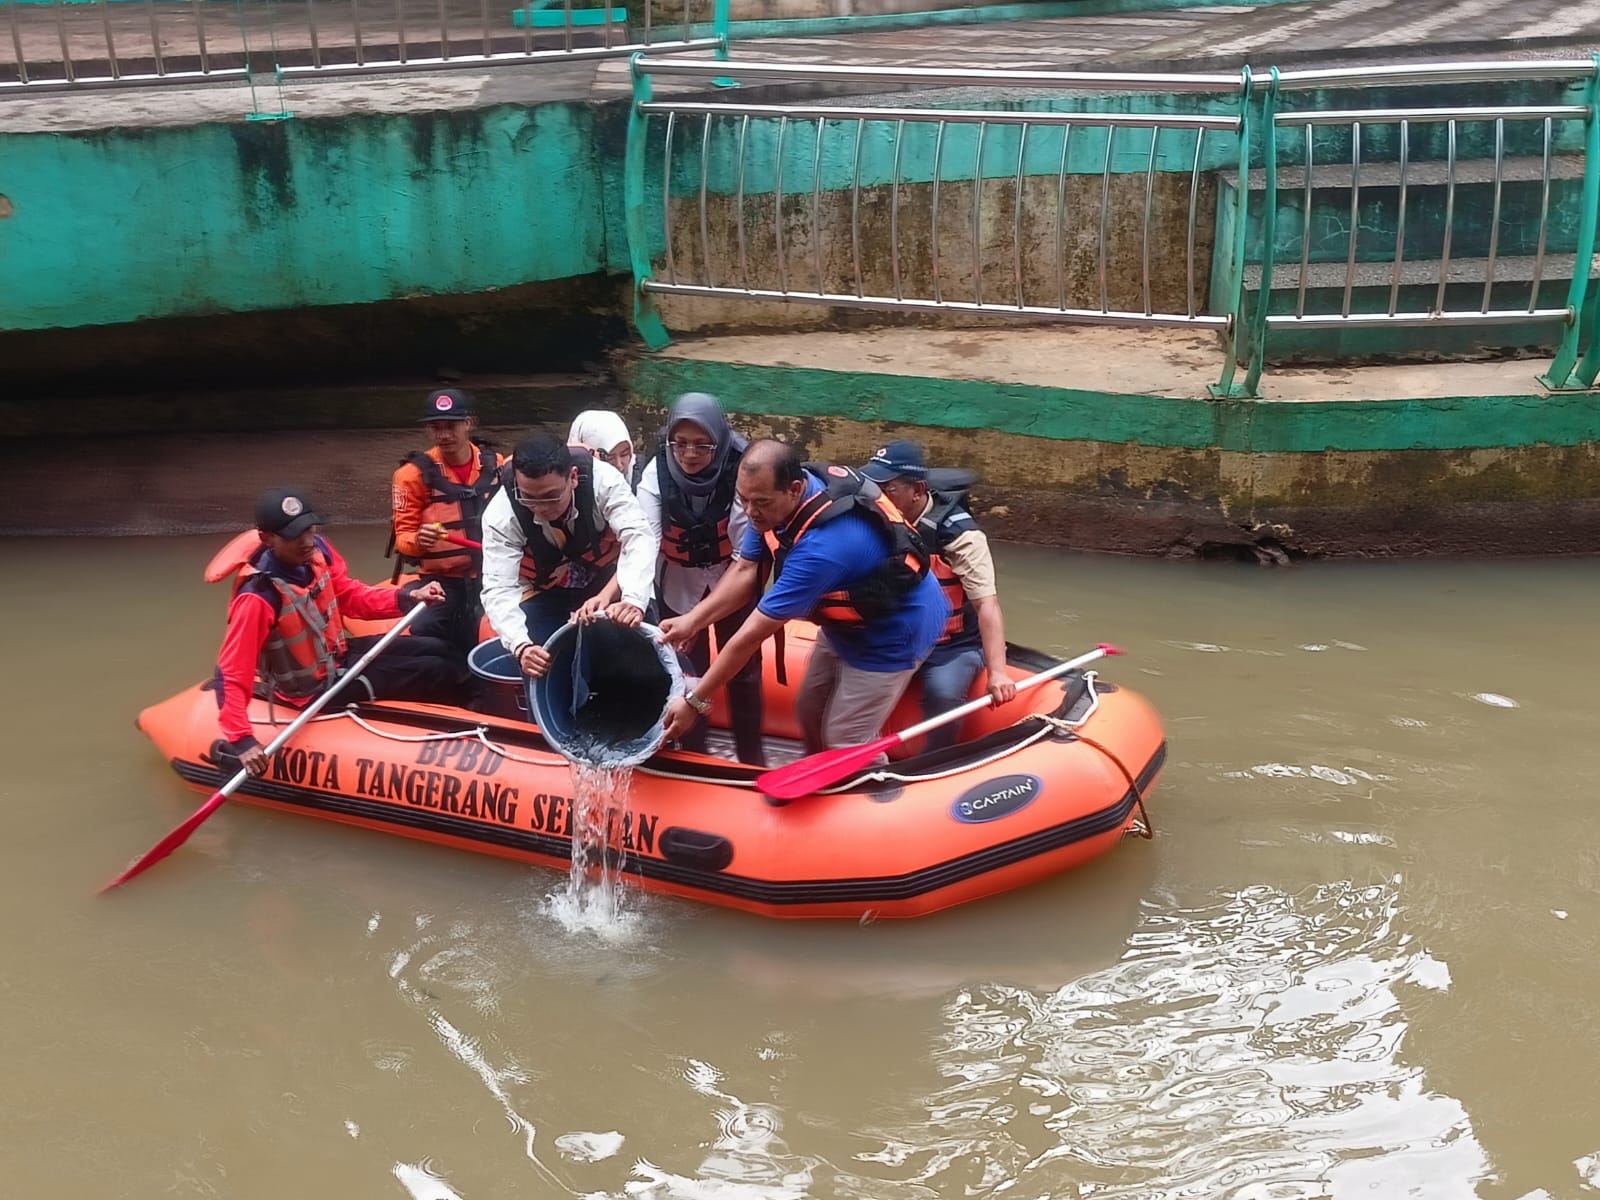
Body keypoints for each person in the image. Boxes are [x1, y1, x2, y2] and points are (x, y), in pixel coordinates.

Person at [660, 440, 948, 760]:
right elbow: (745, 570)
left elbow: (751, 636)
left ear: (794, 490)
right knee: (808, 709)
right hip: (847, 623)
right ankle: (821, 776)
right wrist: (692, 621)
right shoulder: (770, 502)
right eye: (743, 500)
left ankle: (873, 782)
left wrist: (695, 701)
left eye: (760, 502)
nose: (751, 512)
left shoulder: (821, 549)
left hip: (896, 630)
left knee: (845, 738)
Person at [213, 487, 462, 778]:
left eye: (309, 529)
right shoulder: (258, 597)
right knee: (435, 669)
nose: (307, 541)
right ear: (267, 538)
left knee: (438, 648)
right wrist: (241, 739)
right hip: (314, 689)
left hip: (339, 656)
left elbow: (350, 597)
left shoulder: (318, 553)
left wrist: (407, 598)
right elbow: (231, 670)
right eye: (294, 536)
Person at [636, 393, 766, 766]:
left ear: (719, 441)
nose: (689, 454)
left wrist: (700, 617)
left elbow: (745, 558)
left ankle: (750, 757)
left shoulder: (743, 472)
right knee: (686, 671)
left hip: (731, 581)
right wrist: (636, 602)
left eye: (701, 445)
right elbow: (645, 545)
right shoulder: (655, 475)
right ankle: (695, 753)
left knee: (743, 670)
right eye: (680, 443)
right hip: (678, 582)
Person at [862, 440, 1017, 749]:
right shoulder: (873, 520)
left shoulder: (960, 535)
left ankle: (935, 761)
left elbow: (986, 603)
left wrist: (998, 672)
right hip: (897, 637)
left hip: (951, 646)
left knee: (943, 694)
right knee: (853, 686)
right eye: (874, 488)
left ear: (917, 490)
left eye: (888, 489)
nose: (878, 497)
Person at [481, 433, 658, 679]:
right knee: (543, 661)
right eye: (529, 498)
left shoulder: (604, 482)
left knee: (639, 651)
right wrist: (521, 646)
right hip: (544, 588)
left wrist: (633, 600)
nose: (541, 508)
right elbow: (498, 587)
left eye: (550, 496)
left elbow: (638, 537)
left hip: (607, 577)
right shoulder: (501, 513)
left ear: (573, 477)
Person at [389, 388, 505, 652]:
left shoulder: (496, 464)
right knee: (424, 630)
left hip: (491, 574)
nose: (443, 434)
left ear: (468, 423)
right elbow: (403, 538)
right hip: (441, 580)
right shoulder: (409, 476)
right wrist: (419, 540)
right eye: (436, 427)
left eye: (451, 426)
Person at [569, 409, 642, 490]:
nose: (619, 465)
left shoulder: (643, 477)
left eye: (624, 454)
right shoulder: (565, 484)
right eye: (609, 458)